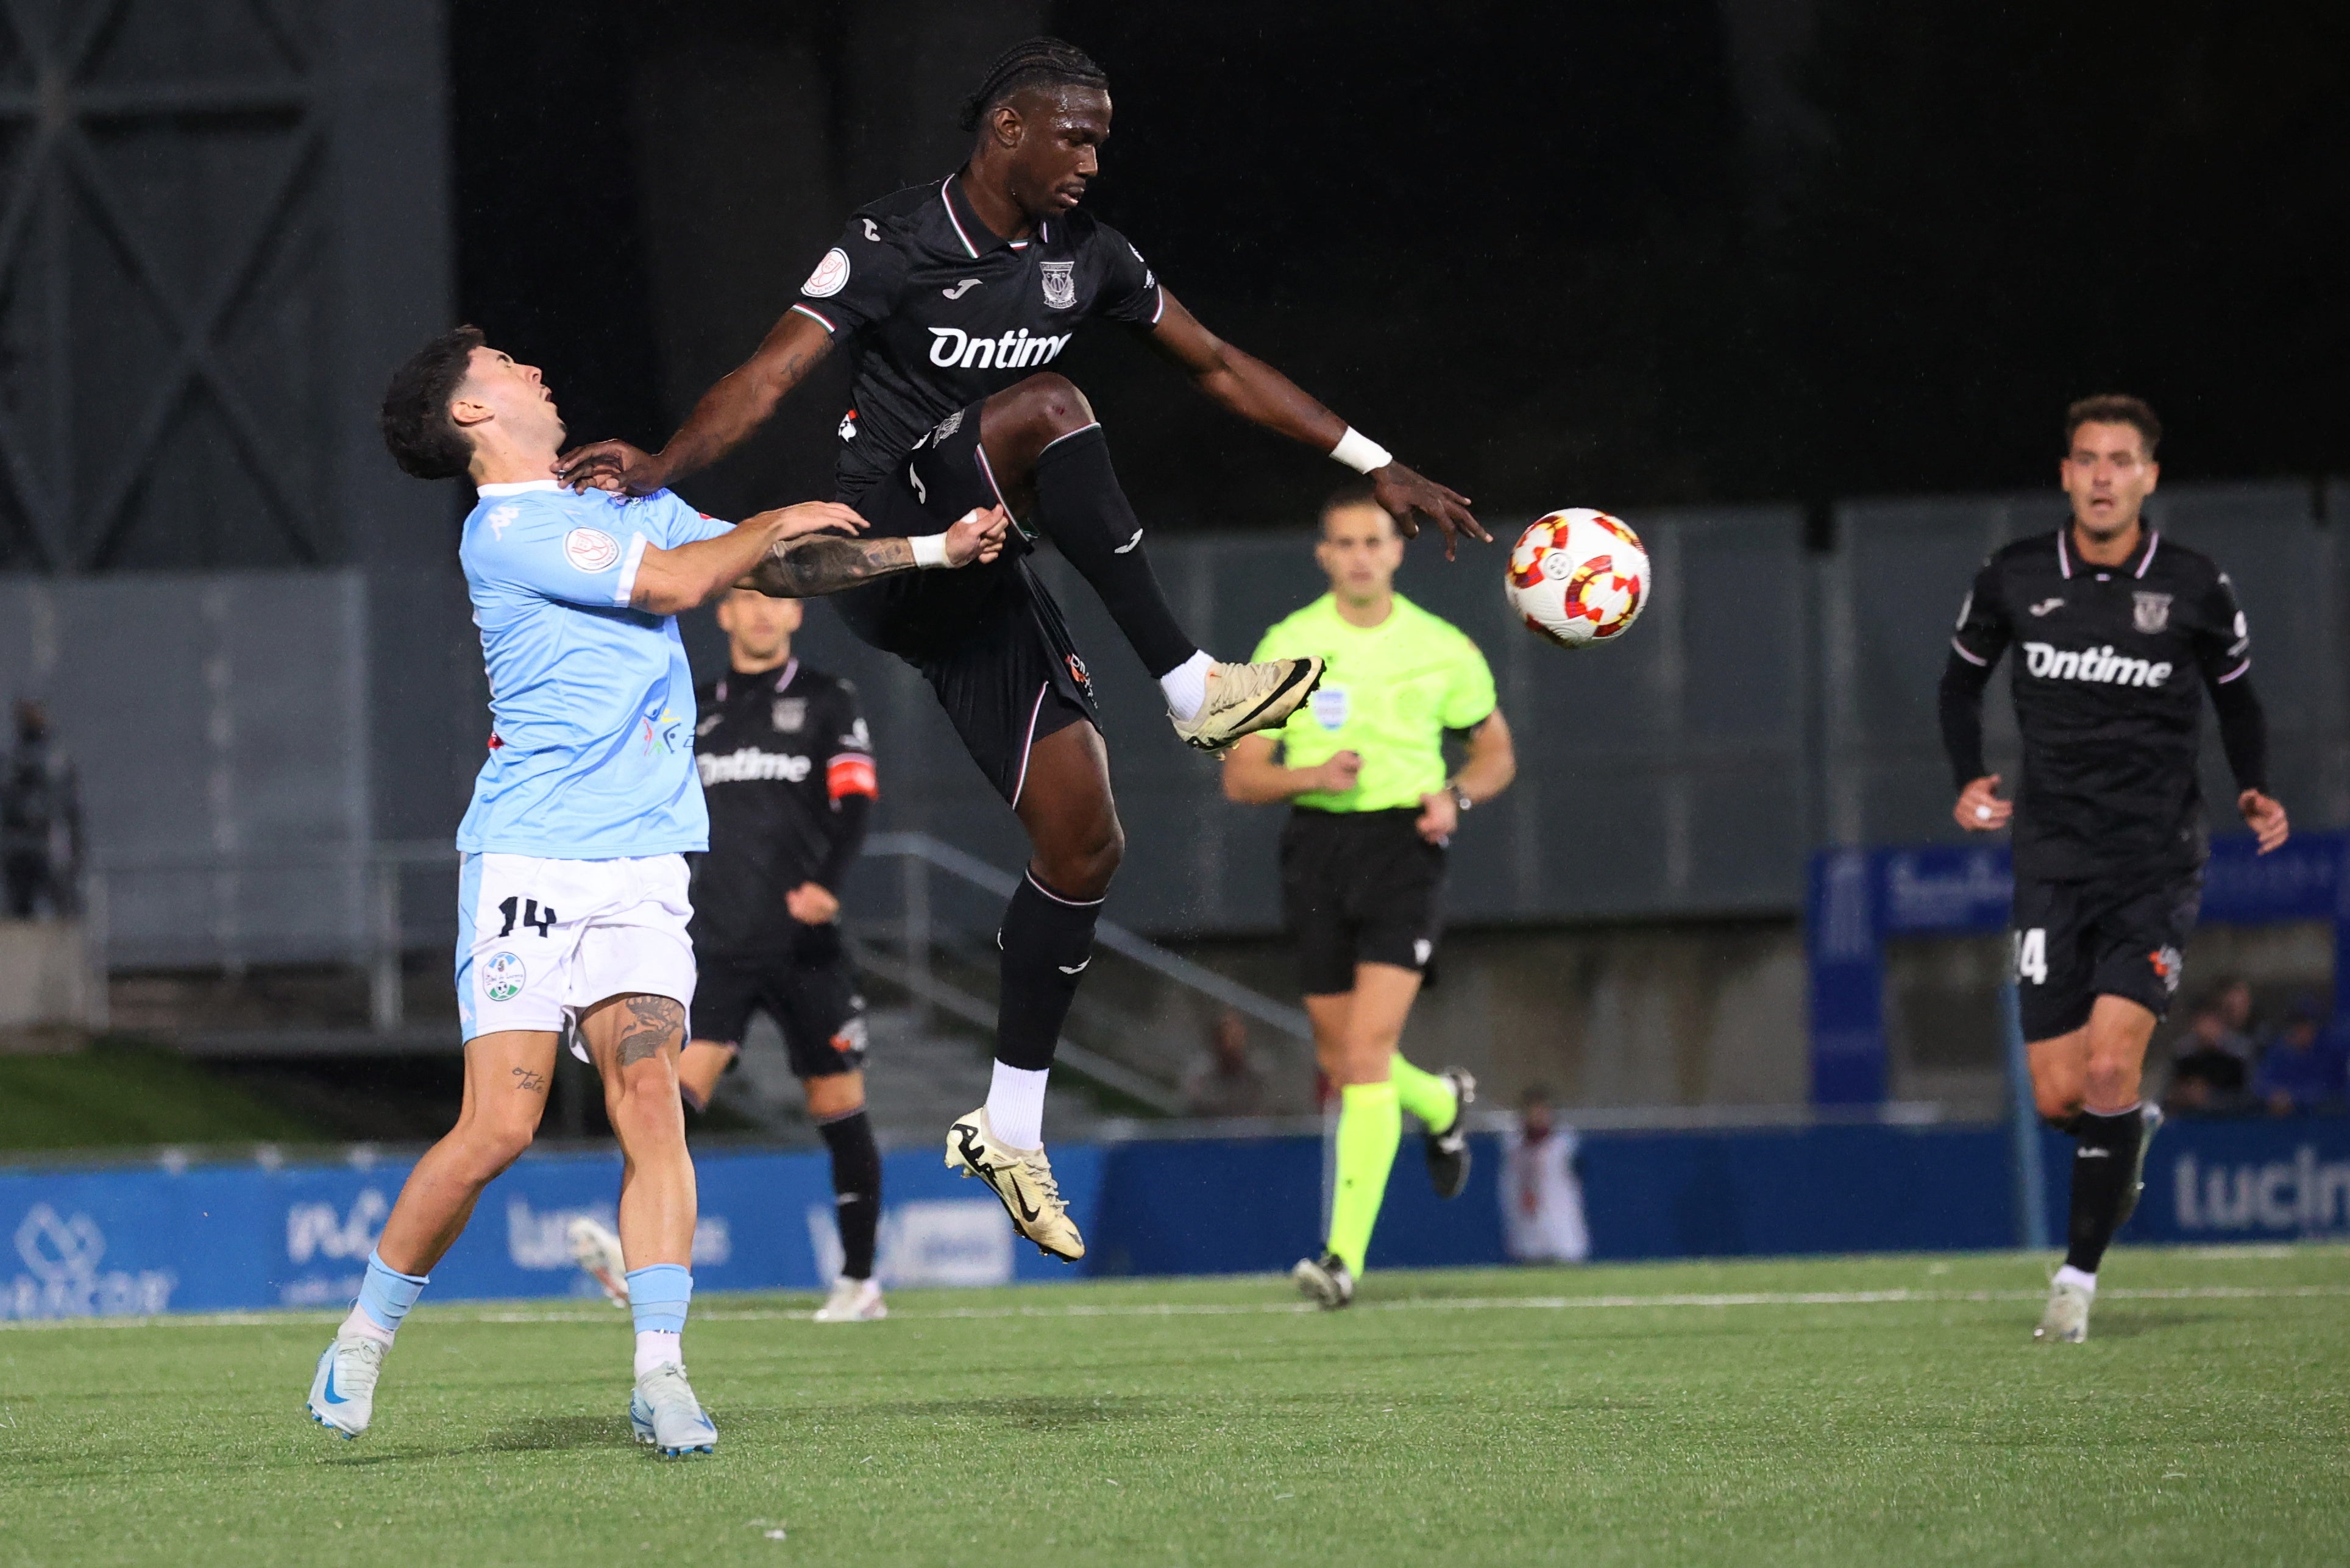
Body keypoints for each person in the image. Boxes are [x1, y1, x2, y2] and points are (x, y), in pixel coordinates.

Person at [555, 38, 1488, 1262]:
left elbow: (1214, 364)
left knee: (1084, 836)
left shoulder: (1087, 260)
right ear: (1004, 129)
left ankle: (1007, 1120)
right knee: (1053, 404)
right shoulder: (891, 245)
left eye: (1103, 139)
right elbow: (772, 372)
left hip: (985, 574)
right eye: (1075, 135)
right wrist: (668, 464)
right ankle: (1188, 680)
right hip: (889, 540)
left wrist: (1375, 460)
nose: (1092, 161)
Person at [303, 325, 1004, 1454]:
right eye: (505, 369)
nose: (535, 368)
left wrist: (929, 549)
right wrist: (774, 514)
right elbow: (685, 580)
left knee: (651, 1097)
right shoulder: (511, 530)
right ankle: (363, 1337)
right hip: (533, 859)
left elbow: (771, 568)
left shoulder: (620, 499)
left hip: (645, 866)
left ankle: (662, 1372)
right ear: (474, 416)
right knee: (499, 1127)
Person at [1942, 393, 2287, 1344]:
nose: (2102, 475)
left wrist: (2255, 787)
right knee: (2062, 1096)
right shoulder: (2014, 577)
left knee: (2106, 1068)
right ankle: (2123, 1137)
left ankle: (2074, 1285)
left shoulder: (2193, 584)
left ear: (2148, 476)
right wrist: (1968, 774)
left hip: (2153, 865)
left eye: (2120, 460)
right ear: (2066, 475)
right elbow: (1961, 682)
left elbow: (2240, 701)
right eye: (2087, 459)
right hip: (2051, 864)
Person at [1222, 483, 1517, 1308]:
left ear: (1397, 551)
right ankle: (1439, 1100)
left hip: (1405, 852)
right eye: (1344, 543)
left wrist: (1455, 797)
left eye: (1373, 542)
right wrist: (1313, 772)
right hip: (1316, 849)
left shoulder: (1444, 646)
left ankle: (1341, 1261)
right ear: (1325, 555)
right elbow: (1241, 776)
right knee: (1342, 1058)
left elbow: (1497, 754)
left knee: (1360, 1057)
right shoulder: (1289, 642)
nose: (1359, 555)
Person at [568, 588, 890, 1325]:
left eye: (776, 603)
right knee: (664, 1102)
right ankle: (636, 1260)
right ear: (723, 614)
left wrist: (827, 887)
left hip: (805, 947)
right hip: (712, 945)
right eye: (747, 599)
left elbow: (857, 799)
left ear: (796, 615)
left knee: (837, 1106)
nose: (760, 613)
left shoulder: (824, 698)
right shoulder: (697, 703)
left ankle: (860, 1280)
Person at [1, 700, 81, 920]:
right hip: (19, 846)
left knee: (64, 908)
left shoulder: (56, 760)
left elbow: (71, 809)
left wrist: (76, 850)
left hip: (46, 844)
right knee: (20, 911)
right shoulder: (12, 760)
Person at [1500, 1087, 1590, 1265]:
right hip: (1528, 1229)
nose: (1538, 1117)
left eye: (1543, 1111)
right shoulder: (1513, 1143)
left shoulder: (1564, 1144)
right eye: (1533, 1111)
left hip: (1561, 1229)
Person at [2252, 996, 2348, 1116]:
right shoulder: (2280, 1051)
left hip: (2324, 1121)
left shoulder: (2330, 1052)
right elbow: (2260, 1082)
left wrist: (2294, 1098)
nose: (2301, 1029)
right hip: (2286, 1125)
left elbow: (2330, 1088)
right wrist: (2274, 1094)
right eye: (2296, 1023)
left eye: (2306, 1023)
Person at [2162, 993, 2252, 1116]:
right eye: (2201, 1022)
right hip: (2188, 1122)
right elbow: (2166, 1095)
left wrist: (2210, 1099)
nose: (2206, 1029)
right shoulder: (2183, 1055)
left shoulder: (2239, 1055)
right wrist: (2183, 1096)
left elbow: (2248, 1098)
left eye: (2211, 1022)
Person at [1180, 1010, 1271, 1119]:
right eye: (1227, 1036)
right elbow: (1195, 1109)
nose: (1232, 1043)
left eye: (1237, 1036)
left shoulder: (1258, 1072)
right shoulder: (1200, 1074)